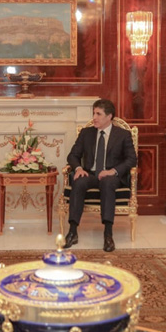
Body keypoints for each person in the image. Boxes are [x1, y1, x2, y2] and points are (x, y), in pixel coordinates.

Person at [64, 99, 137, 253]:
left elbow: (132, 159)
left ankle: (108, 233)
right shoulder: (86, 133)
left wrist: (113, 171)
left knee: (107, 182)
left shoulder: (123, 134)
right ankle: (72, 231)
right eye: (94, 113)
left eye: (98, 114)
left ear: (109, 116)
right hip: (90, 174)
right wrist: (77, 168)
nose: (94, 118)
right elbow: (73, 155)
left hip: (111, 176)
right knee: (78, 181)